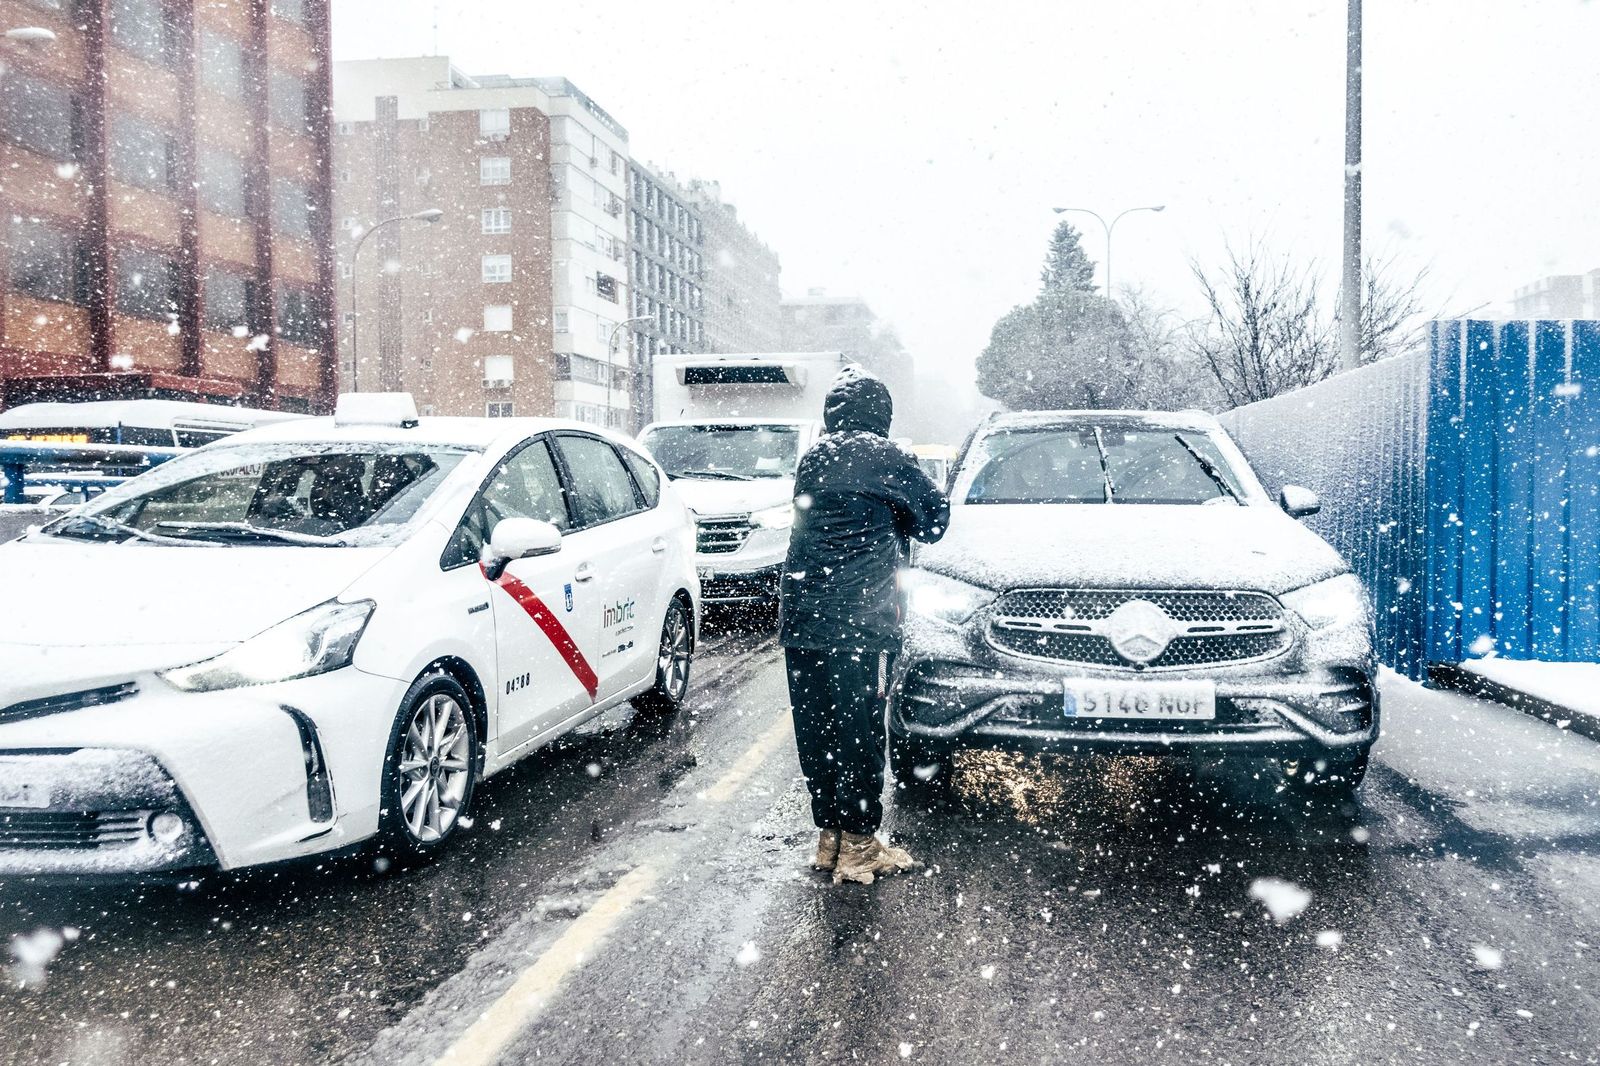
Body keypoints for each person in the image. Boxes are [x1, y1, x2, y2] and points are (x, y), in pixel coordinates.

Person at [779, 366, 949, 885]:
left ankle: (828, 835)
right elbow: (935, 520)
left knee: (818, 726)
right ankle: (858, 844)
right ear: (883, 414)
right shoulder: (889, 458)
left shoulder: (814, 458)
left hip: (804, 616)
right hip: (859, 622)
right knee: (857, 729)